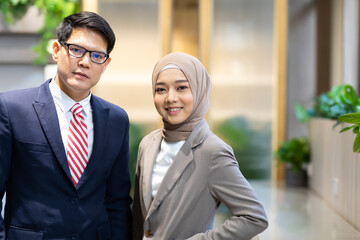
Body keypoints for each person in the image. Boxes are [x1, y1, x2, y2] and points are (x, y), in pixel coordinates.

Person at [0, 11, 132, 239]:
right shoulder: (12, 109)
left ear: (106, 63)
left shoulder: (117, 120)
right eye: (77, 50)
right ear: (56, 50)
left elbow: (117, 201)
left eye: (97, 56)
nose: (85, 62)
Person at [132, 52, 268, 239]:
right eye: (161, 89)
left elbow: (254, 217)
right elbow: (140, 219)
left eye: (181, 87)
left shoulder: (213, 152)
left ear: (199, 90)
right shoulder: (147, 144)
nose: (170, 98)